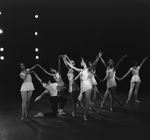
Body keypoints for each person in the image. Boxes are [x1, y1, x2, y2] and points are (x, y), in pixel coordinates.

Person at [63, 53, 102, 121]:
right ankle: (97, 111)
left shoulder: (88, 69)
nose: (80, 62)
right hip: (82, 86)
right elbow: (72, 67)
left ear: (84, 62)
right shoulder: (81, 70)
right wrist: (65, 60)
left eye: (81, 61)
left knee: (86, 101)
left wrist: (98, 58)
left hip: (87, 85)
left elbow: (93, 65)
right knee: (87, 102)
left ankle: (85, 115)